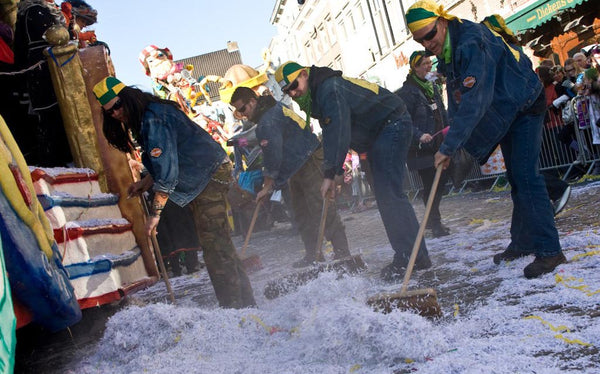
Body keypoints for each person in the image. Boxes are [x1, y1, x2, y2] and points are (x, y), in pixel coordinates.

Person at [406, 0, 566, 278]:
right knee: (517, 177)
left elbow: (475, 100)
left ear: (441, 21)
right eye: (421, 40)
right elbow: (458, 99)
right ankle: (523, 242)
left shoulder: (469, 42)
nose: (427, 43)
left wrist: (449, 146)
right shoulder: (449, 47)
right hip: (507, 109)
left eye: (429, 34)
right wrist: (453, 141)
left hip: (525, 103)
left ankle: (550, 250)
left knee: (527, 178)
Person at [92, 76, 255, 308]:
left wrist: (155, 214)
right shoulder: (148, 116)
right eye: (110, 112)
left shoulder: (154, 118)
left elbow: (167, 173)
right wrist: (147, 181)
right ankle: (245, 304)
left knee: (215, 248)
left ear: (127, 97)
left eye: (117, 106)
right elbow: (169, 158)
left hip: (206, 177)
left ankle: (235, 308)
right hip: (203, 175)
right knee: (219, 244)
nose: (116, 113)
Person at [273, 61, 432, 281]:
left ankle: (411, 258)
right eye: (287, 91)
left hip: (390, 124)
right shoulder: (318, 95)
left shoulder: (329, 89)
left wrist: (330, 174)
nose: (293, 92)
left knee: (390, 195)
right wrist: (333, 172)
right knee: (387, 196)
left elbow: (339, 130)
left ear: (304, 74)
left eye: (294, 85)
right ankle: (415, 256)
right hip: (377, 133)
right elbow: (330, 134)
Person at [230, 86, 352, 267]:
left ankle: (343, 254)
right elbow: (264, 141)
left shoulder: (268, 120)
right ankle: (313, 255)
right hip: (294, 167)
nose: (243, 115)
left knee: (321, 208)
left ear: (253, 101)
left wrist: (266, 186)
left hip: (309, 160)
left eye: (243, 109)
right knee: (301, 213)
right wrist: (237, 142)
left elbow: (272, 154)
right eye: (238, 113)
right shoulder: (269, 113)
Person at [396, 50, 451, 237]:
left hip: (438, 143)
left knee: (441, 181)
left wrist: (449, 128)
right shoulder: (407, 92)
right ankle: (435, 224)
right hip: (421, 148)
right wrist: (419, 135)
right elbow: (404, 121)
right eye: (425, 64)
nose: (429, 66)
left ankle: (430, 218)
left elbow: (441, 111)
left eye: (430, 62)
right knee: (431, 183)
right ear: (415, 68)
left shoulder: (432, 87)